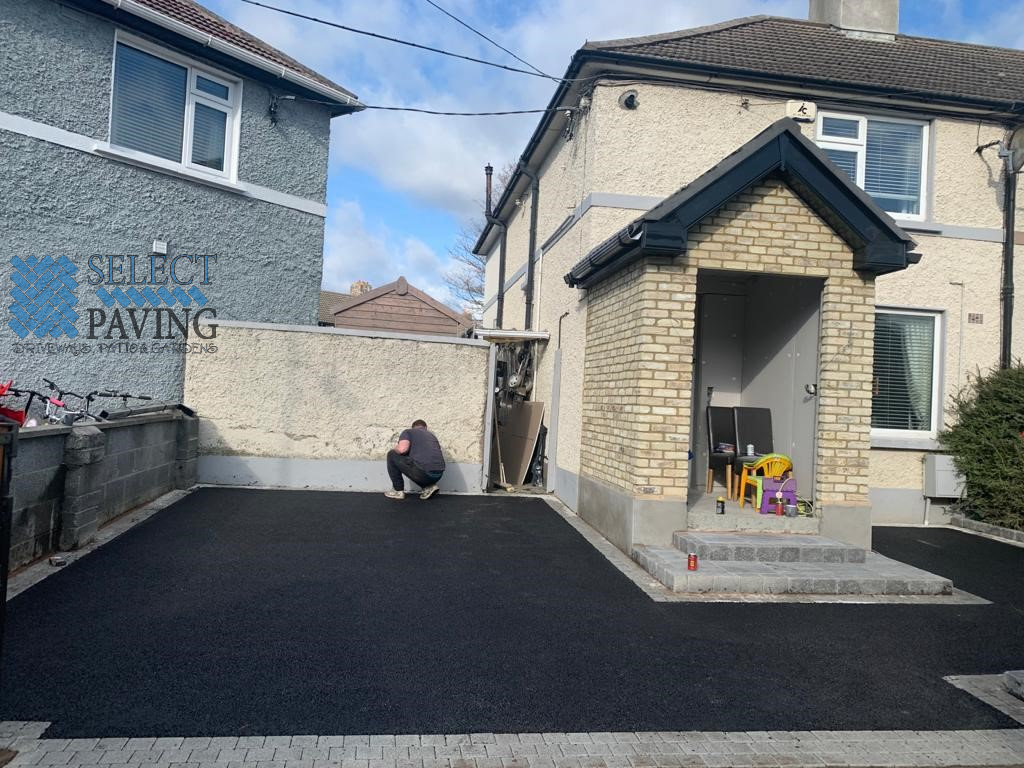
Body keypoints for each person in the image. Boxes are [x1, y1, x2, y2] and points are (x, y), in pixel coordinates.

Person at [385, 419, 445, 500]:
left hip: (424, 474)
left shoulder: (408, 432)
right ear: (425, 427)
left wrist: (396, 448)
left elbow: (402, 449)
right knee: (419, 463)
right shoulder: (431, 436)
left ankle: (397, 490)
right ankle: (428, 487)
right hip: (438, 475)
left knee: (392, 454)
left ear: (413, 427)